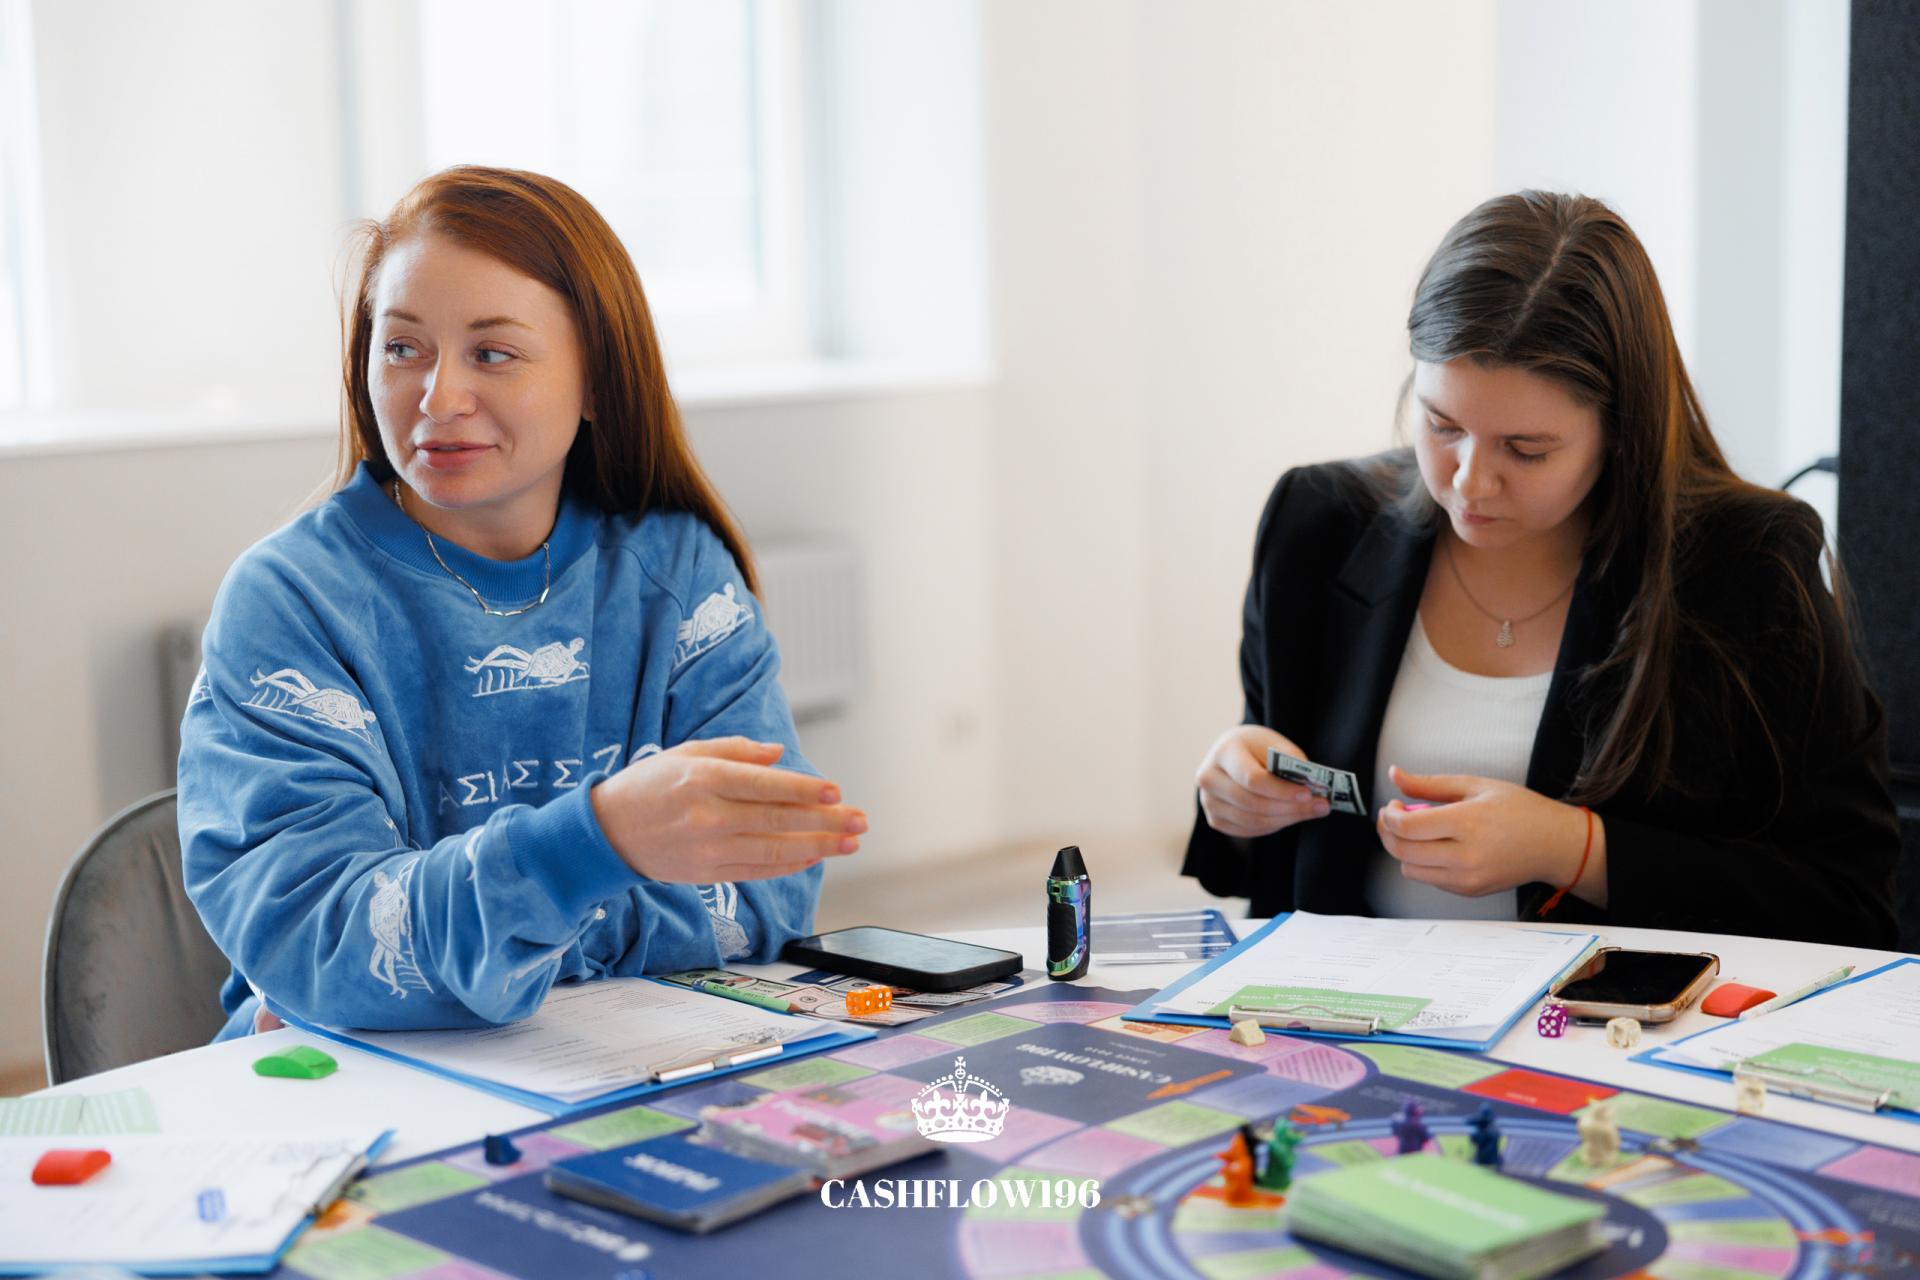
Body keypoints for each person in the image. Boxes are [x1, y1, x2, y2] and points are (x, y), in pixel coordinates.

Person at [178, 166, 865, 1038]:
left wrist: (501, 931)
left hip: (610, 1059)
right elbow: (326, 943)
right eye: (403, 348)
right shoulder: (288, 601)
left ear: (597, 381)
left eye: (493, 353)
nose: (438, 398)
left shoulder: (679, 571)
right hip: (344, 1082)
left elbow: (765, 888)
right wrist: (597, 845)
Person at [1184, 191, 1898, 947]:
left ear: (1620, 429)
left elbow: (1850, 900)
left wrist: (1574, 849)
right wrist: (1237, 798)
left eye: (1525, 450)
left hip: (1603, 1018)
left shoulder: (1744, 565)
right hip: (1339, 1011)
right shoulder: (1320, 524)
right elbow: (1266, 869)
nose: (1469, 482)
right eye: (1442, 425)